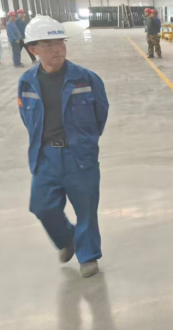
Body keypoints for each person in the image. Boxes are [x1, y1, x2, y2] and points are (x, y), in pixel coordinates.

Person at [18, 15, 109, 278]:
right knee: (41, 206)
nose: (57, 49)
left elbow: (100, 114)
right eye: (48, 44)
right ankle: (67, 238)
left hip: (78, 154)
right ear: (33, 49)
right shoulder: (27, 81)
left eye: (60, 43)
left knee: (86, 209)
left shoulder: (86, 79)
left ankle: (88, 256)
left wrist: (85, 141)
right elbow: (27, 117)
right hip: (45, 155)